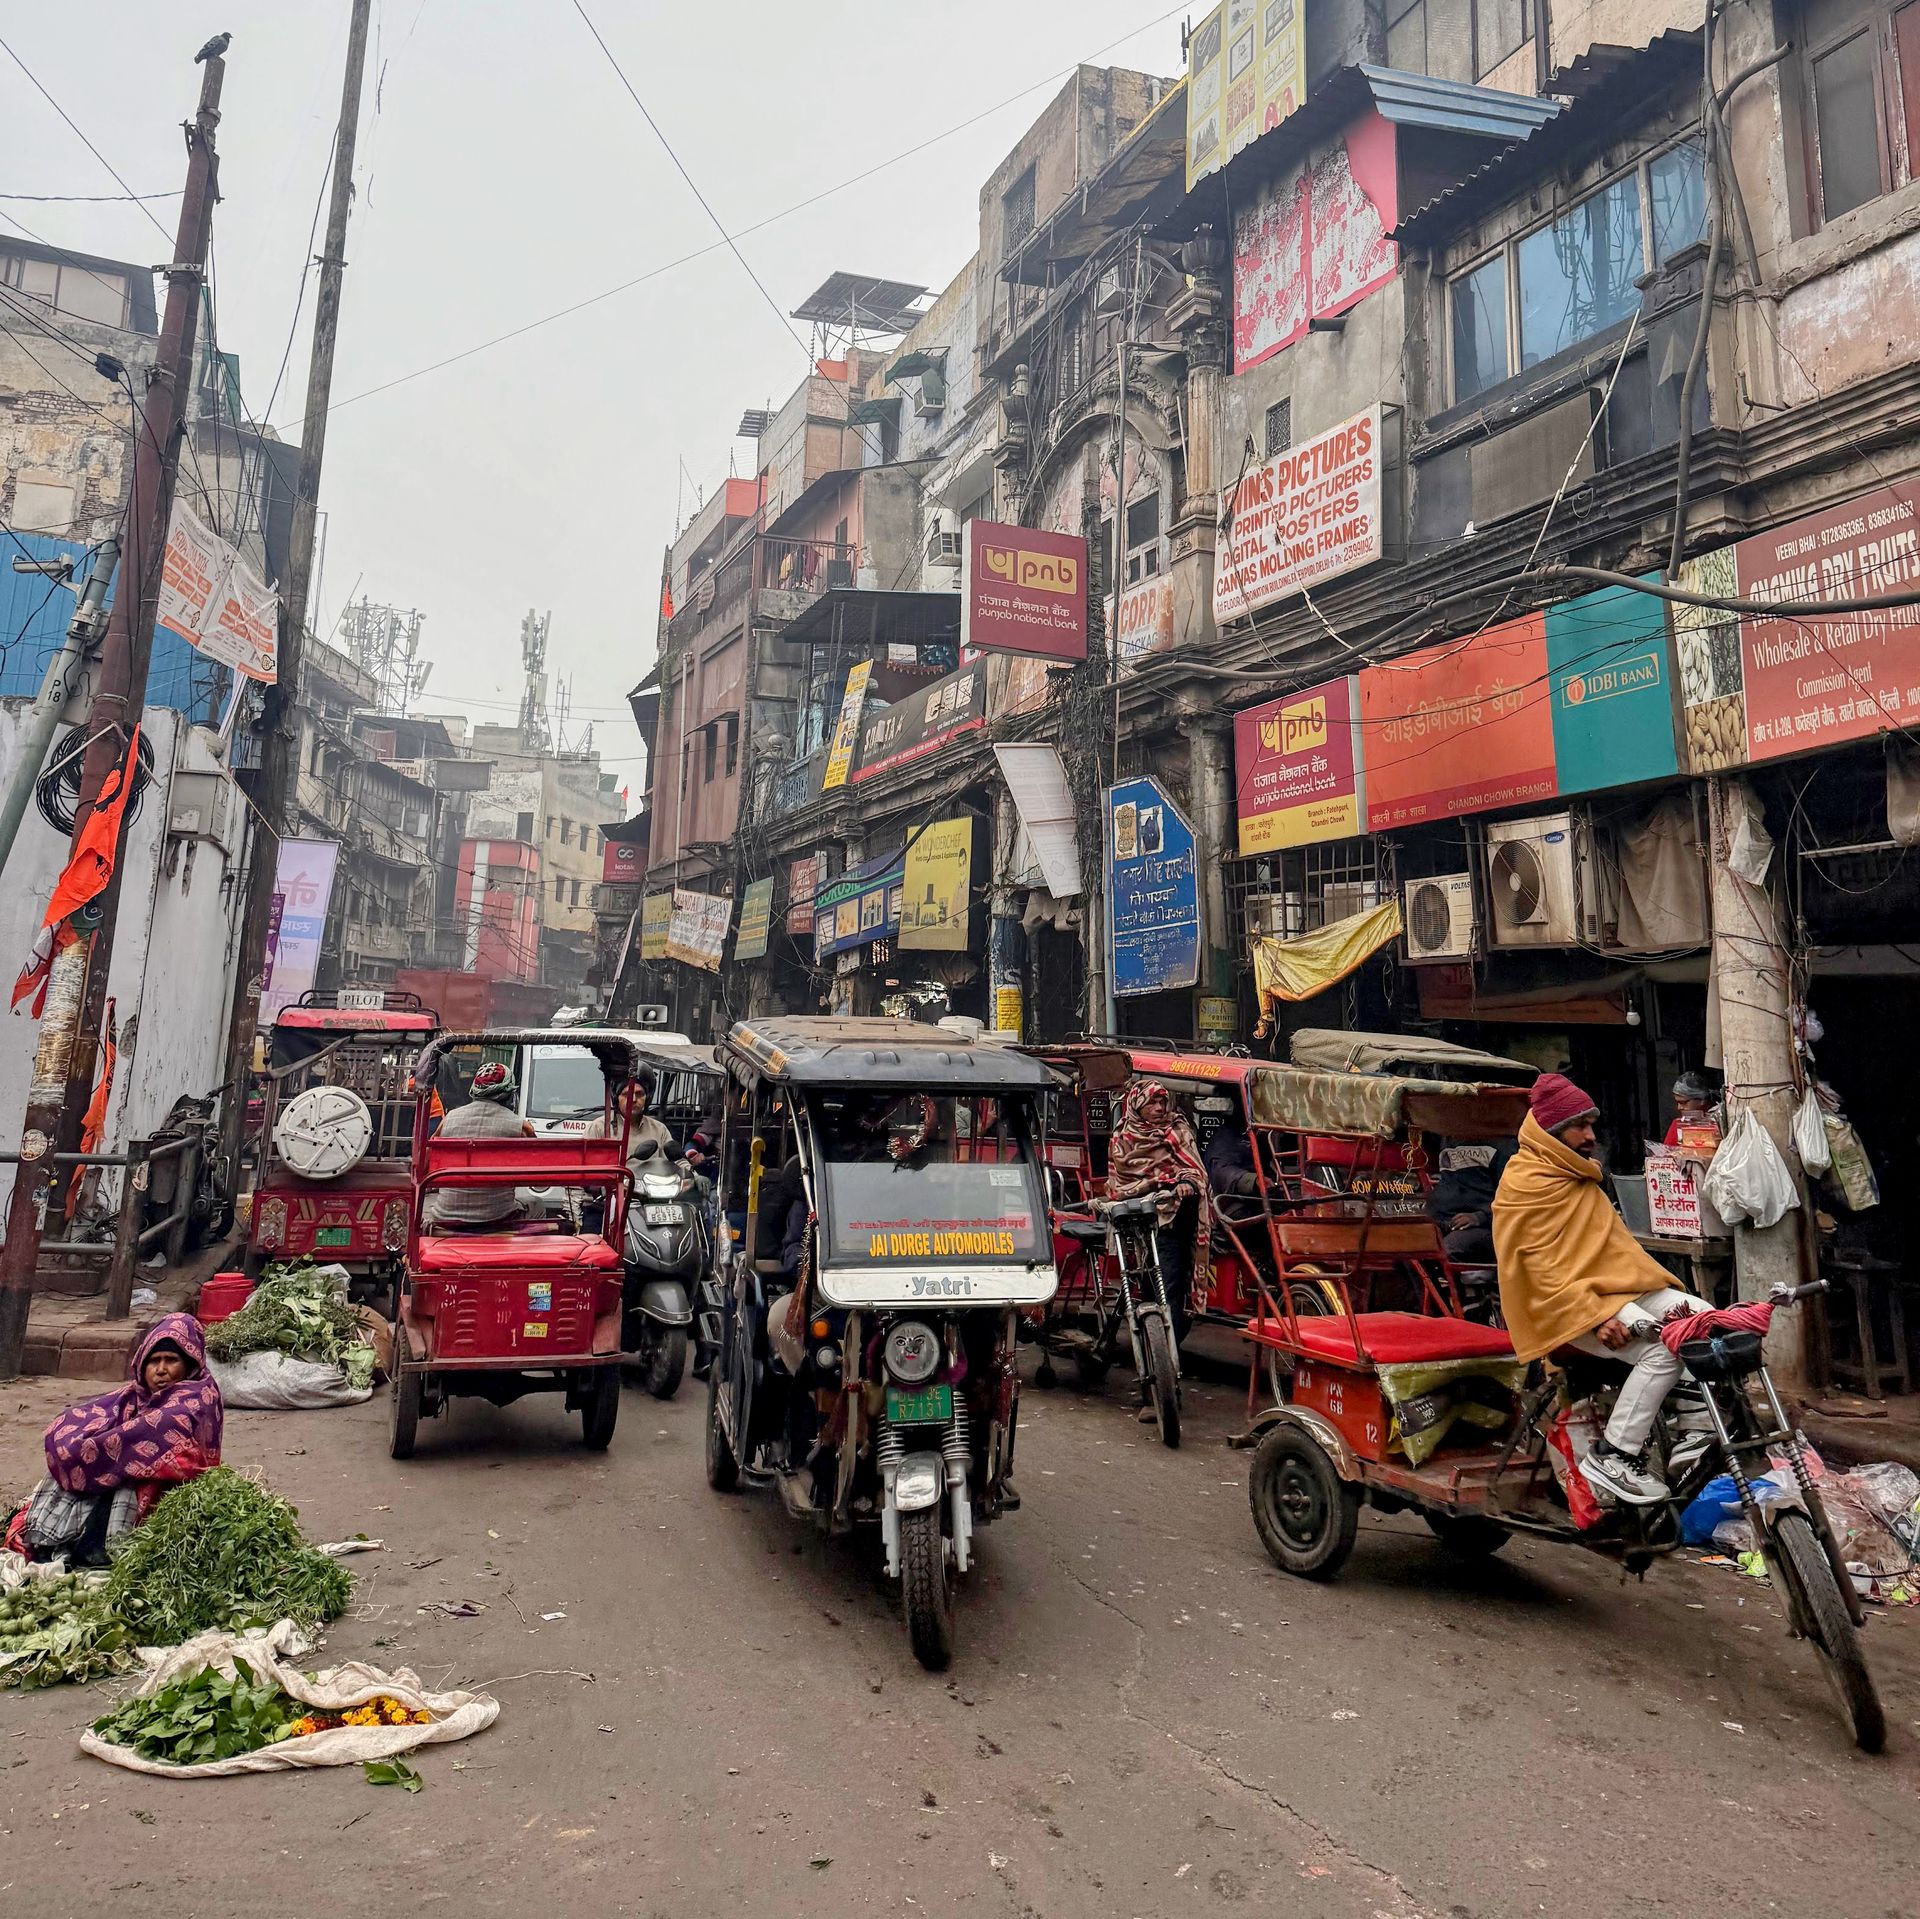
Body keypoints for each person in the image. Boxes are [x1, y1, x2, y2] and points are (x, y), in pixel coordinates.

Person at [1493, 1072, 1704, 1506]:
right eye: (1579, 1126)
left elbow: (1610, 1256)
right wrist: (1599, 1315)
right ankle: (1614, 1455)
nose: (1590, 1136)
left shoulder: (1577, 1176)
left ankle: (1695, 1433)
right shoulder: (1523, 1184)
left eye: (1592, 1124)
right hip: (1569, 1308)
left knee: (1703, 1318)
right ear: (1552, 1132)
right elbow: (1539, 1272)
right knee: (1663, 1349)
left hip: (1620, 1294)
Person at [7, 1315, 223, 1565]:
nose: (161, 1370)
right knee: (83, 1454)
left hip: (166, 1491)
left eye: (171, 1361)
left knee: (121, 1468)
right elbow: (85, 1418)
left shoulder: (197, 1399)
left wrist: (108, 1455)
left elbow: (154, 1434)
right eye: (154, 1361)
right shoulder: (134, 1396)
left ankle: (100, 1549)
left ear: (189, 1365)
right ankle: (53, 1537)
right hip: (125, 1470)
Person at [1106, 1079, 1211, 1345]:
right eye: (1152, 1101)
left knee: (1170, 1283)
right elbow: (1119, 1182)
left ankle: (1166, 1352)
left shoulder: (1178, 1131)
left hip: (1173, 1219)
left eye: (1162, 1101)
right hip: (1134, 1221)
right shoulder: (1122, 1136)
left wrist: (1186, 1183)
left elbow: (1195, 1170)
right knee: (1148, 1285)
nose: (1159, 1107)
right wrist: (1144, 1188)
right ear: (1137, 1103)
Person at [423, 1059, 535, 1230]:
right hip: (498, 1217)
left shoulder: (449, 1119)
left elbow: (426, 1164)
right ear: (509, 1093)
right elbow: (535, 1172)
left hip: (444, 1215)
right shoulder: (519, 1126)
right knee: (536, 1204)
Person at [1430, 1135, 1518, 1265]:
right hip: (1444, 1219)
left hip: (1487, 1226)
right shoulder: (1449, 1136)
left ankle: (1463, 1285)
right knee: (1406, 1248)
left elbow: (1514, 1197)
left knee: (1446, 1250)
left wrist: (1480, 1217)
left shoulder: (1505, 1143)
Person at [1663, 1069, 1722, 1169]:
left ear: (1702, 1100)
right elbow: (1666, 1157)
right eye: (1677, 1103)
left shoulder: (1719, 1121)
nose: (1679, 1107)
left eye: (1683, 1102)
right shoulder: (1677, 1125)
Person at [1203, 1112, 1260, 1198]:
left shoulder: (1266, 1134)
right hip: (1235, 1197)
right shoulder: (1226, 1134)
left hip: (1271, 1195)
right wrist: (1253, 1180)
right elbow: (1220, 1170)